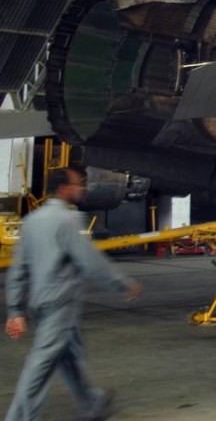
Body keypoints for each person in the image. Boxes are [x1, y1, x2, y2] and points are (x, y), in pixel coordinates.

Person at [5, 166, 142, 421]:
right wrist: (122, 283)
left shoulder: (32, 221)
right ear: (63, 189)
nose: (82, 188)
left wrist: (15, 310)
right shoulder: (67, 220)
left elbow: (19, 268)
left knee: (66, 356)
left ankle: (92, 402)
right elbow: (90, 261)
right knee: (40, 366)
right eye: (78, 184)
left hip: (39, 301)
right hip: (61, 303)